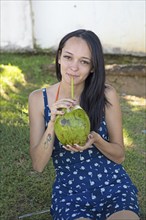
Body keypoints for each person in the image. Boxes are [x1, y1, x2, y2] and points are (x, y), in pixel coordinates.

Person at [28, 29, 140, 220]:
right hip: (70, 193)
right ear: (59, 58)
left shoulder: (106, 95)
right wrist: (53, 123)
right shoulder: (39, 99)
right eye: (68, 57)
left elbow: (119, 156)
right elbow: (38, 165)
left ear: (93, 67)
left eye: (84, 61)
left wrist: (96, 139)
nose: (73, 67)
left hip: (112, 184)